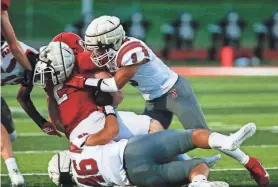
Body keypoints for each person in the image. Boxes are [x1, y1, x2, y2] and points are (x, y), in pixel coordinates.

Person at [70, 15, 269, 186]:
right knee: (152, 144)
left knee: (203, 136)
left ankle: (250, 162)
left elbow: (115, 86)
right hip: (154, 101)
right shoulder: (113, 51)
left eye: (99, 48)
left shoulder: (132, 50)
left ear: (112, 41)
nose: (95, 53)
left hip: (174, 92)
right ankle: (193, 164)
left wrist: (82, 82)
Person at [52, 118, 256, 187]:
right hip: (132, 152)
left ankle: (199, 183)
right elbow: (109, 132)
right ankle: (227, 142)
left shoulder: (83, 183)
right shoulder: (75, 147)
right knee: (191, 136)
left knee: (195, 167)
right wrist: (108, 109)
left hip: (137, 178)